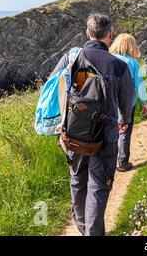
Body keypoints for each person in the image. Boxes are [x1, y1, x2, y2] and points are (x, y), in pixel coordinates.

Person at [49, 13, 134, 236]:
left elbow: (52, 87)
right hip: (105, 136)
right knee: (98, 186)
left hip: (74, 133)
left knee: (78, 179)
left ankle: (83, 226)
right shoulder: (119, 65)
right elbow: (127, 103)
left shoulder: (71, 58)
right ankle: (93, 233)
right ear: (110, 34)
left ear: (88, 34)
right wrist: (124, 121)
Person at [109, 34, 147, 172]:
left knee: (110, 131)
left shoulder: (109, 59)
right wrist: (144, 102)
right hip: (126, 103)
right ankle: (123, 162)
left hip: (109, 102)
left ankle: (108, 162)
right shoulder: (133, 63)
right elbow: (140, 84)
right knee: (124, 131)